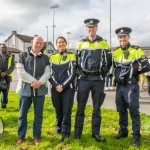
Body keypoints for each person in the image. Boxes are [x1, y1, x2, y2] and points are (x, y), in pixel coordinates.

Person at [74, 18, 112, 142]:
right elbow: (76, 61)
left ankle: (96, 133)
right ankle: (77, 133)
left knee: (97, 108)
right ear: (86, 29)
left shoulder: (104, 43)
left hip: (98, 80)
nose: (91, 29)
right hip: (84, 80)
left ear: (96, 28)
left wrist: (102, 73)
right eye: (89, 27)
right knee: (80, 107)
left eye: (93, 27)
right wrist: (80, 73)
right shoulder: (80, 43)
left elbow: (109, 62)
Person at [112, 27, 150, 147]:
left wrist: (135, 73)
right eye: (120, 37)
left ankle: (136, 136)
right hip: (119, 86)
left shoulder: (136, 50)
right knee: (121, 109)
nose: (122, 39)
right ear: (118, 38)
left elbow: (146, 66)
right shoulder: (116, 51)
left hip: (131, 85)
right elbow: (115, 67)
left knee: (133, 110)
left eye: (124, 36)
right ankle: (123, 131)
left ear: (128, 37)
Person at [16, 36, 50, 146]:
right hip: (24, 90)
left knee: (38, 115)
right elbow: (20, 72)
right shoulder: (22, 55)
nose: (39, 44)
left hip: (40, 91)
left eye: (41, 43)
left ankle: (37, 137)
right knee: (22, 114)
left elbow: (47, 73)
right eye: (37, 42)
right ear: (32, 42)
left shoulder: (45, 58)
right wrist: (34, 81)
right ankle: (21, 137)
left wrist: (39, 83)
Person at [49, 36, 76, 142]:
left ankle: (66, 133)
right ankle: (58, 130)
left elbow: (73, 73)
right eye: (59, 42)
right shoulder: (52, 57)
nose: (61, 44)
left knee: (66, 111)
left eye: (63, 42)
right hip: (55, 88)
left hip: (68, 88)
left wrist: (63, 86)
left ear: (66, 43)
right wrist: (56, 85)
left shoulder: (72, 56)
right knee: (58, 110)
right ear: (56, 45)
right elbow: (49, 74)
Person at [0, 44, 15, 108]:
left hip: (7, 77)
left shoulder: (11, 56)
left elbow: (12, 66)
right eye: (2, 47)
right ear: (0, 48)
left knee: (5, 92)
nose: (4, 48)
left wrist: (6, 73)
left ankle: (4, 105)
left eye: (5, 47)